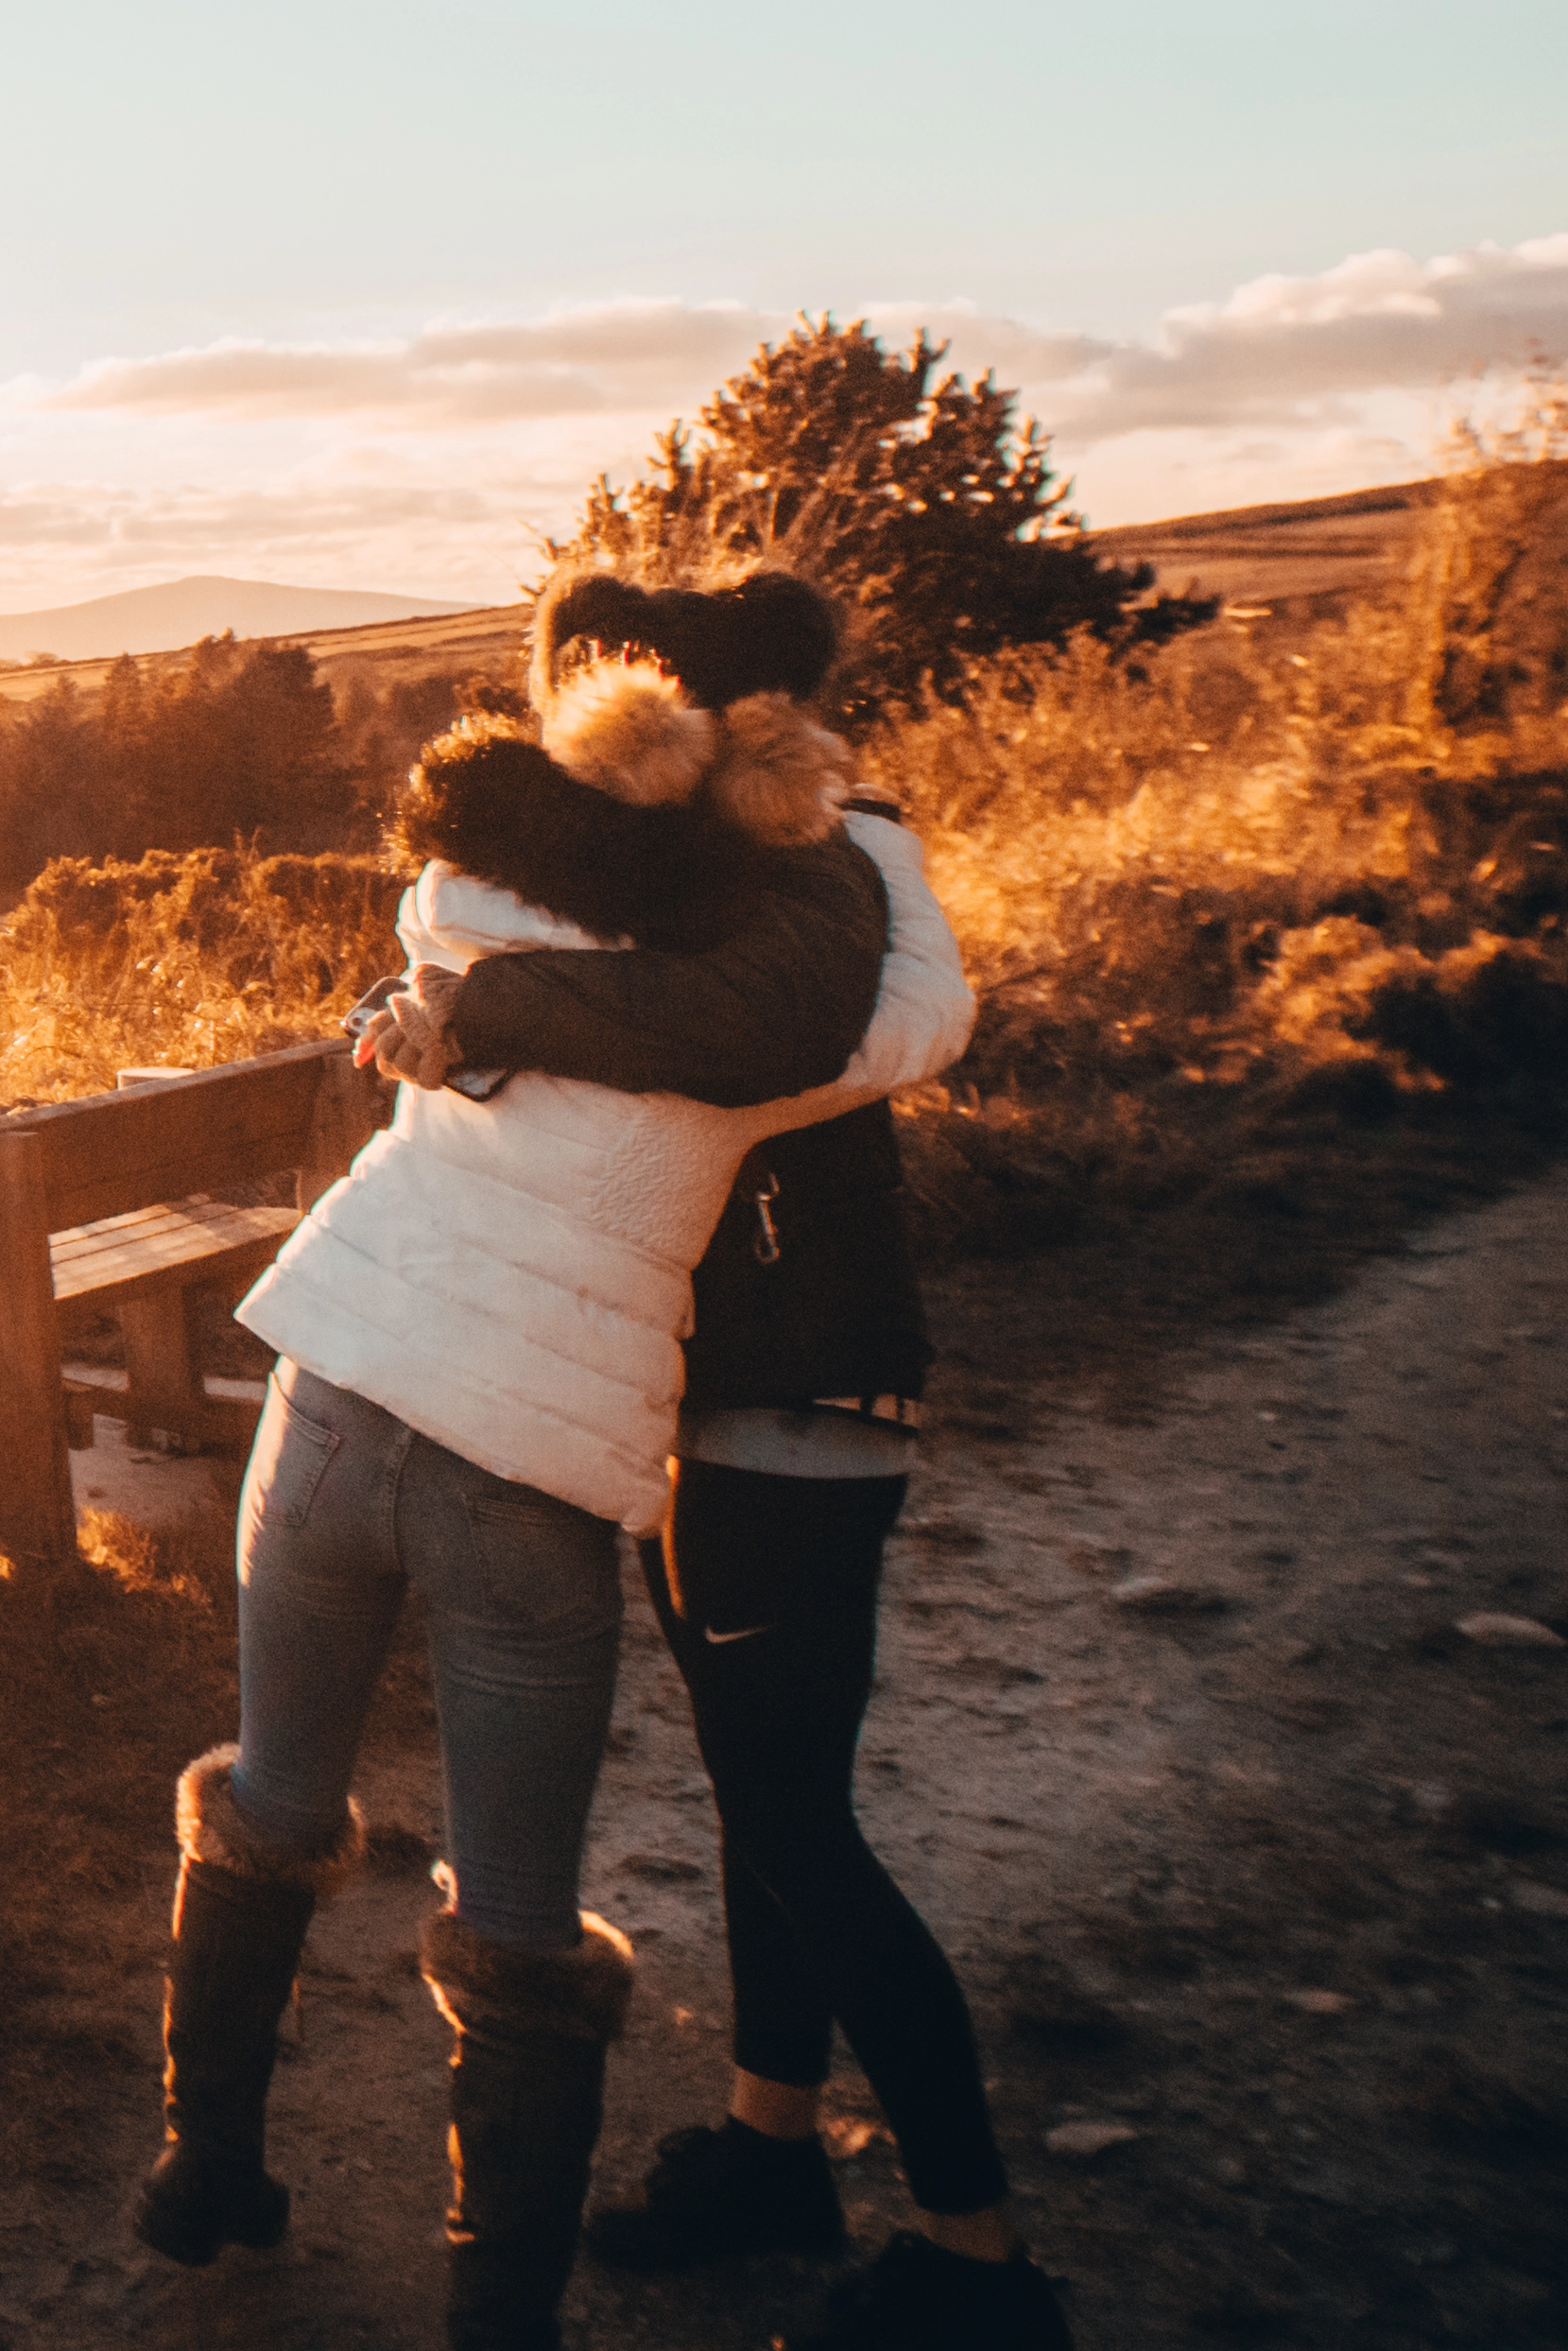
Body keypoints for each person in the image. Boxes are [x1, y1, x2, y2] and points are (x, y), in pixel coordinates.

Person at [136, 569, 969, 2351]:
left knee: (276, 1790)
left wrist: (467, 1002)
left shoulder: (468, 893)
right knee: (512, 1908)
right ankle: (494, 2322)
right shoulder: (770, 994)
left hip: (343, 1366)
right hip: (531, 1433)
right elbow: (895, 1025)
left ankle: (204, 2169)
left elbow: (451, 934)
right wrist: (860, 839)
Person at [425, 796, 1071, 2351]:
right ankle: (772, 2146)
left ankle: (979, 2261)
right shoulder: (746, 900)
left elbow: (729, 1039)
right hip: (731, 1409)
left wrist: (483, 1005)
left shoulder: (794, 911)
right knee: (765, 1801)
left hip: (794, 1408)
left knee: (798, 1823)